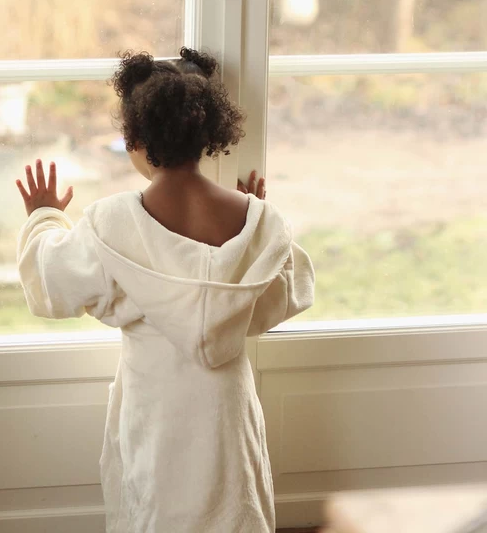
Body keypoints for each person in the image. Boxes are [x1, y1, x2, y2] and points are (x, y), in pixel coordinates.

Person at [16, 47, 315, 533]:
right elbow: (284, 294)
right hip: (226, 415)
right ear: (211, 133)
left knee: (154, 508)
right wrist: (253, 223)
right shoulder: (256, 221)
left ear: (135, 136)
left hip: (156, 409)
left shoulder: (112, 223)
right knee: (233, 508)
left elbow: (51, 285)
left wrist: (44, 215)